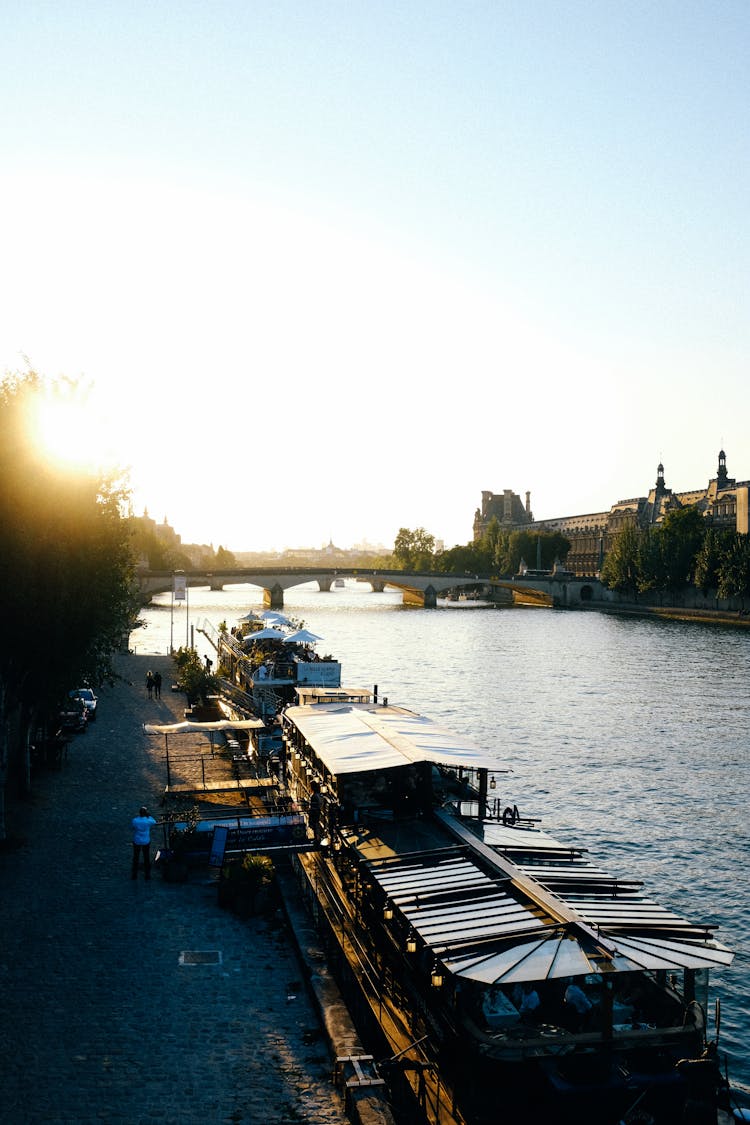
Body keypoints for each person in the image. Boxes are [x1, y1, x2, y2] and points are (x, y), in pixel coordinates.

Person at [131, 806, 157, 880]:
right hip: (145, 841)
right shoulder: (148, 821)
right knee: (146, 857)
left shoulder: (135, 820)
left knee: (136, 857)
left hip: (137, 840)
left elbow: (133, 827)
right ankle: (147, 875)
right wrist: (149, 816)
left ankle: (134, 874)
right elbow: (154, 821)